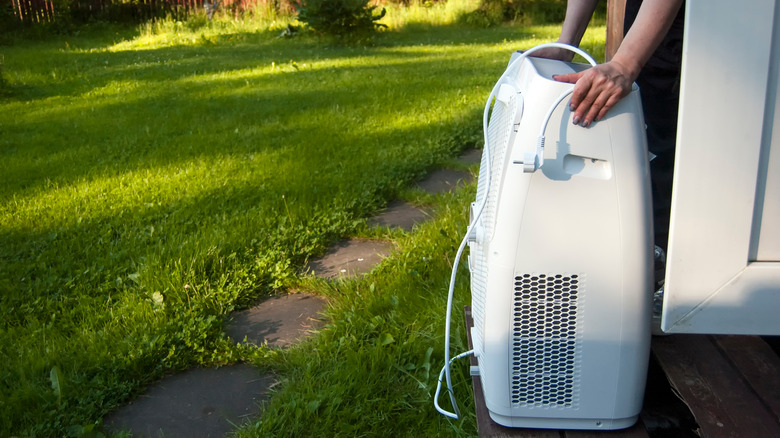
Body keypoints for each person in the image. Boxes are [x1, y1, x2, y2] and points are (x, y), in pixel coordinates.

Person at [534, 0, 685, 253]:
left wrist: (625, 63)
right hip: (649, 34)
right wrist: (566, 44)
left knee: (675, 174)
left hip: (695, 36)